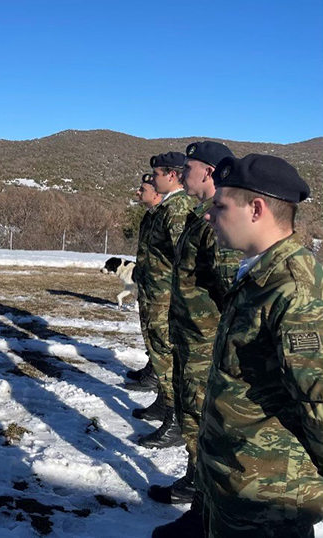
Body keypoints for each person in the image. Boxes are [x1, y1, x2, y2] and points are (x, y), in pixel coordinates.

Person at [192, 154, 323, 538]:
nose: (208, 215)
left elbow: (318, 401)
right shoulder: (259, 272)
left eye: (220, 206)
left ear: (256, 209)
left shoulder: (293, 288)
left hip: (269, 497)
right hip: (236, 480)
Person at [150, 142, 240, 537]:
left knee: (204, 426)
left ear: (209, 172)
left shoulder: (218, 223)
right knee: (193, 424)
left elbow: (231, 292)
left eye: (189, 167)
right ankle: (199, 502)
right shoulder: (200, 216)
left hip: (207, 345)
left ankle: (205, 514)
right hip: (190, 341)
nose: (182, 173)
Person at [130, 152, 194, 449]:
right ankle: (163, 403)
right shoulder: (165, 208)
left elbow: (183, 259)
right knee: (158, 352)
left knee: (166, 355)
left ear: (171, 175)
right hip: (154, 293)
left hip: (165, 297)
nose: (152, 179)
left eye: (156, 174)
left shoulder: (178, 209)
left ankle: (175, 419)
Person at [127, 174, 163, 384]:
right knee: (148, 329)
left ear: (156, 193)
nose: (138, 192)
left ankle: (157, 374)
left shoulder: (164, 216)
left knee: (159, 332)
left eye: (143, 190)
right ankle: (152, 366)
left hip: (160, 287)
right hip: (147, 283)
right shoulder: (149, 216)